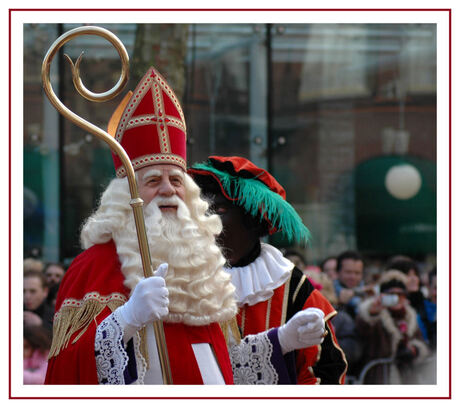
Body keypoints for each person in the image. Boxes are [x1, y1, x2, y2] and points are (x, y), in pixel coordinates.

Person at [45, 67, 326, 385]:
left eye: (176, 179)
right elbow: (67, 368)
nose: (168, 190)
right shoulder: (94, 266)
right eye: (153, 180)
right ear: (126, 196)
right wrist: (125, 319)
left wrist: (282, 341)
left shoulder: (198, 266)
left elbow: (217, 364)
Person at [189, 156, 347, 384]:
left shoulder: (290, 285)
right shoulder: (183, 277)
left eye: (220, 209)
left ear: (252, 221)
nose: (206, 221)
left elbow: (324, 368)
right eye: (202, 211)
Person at [355, 269, 430, 384]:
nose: (397, 298)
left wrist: (414, 350)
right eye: (391, 294)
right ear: (382, 296)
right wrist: (373, 313)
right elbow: (363, 331)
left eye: (401, 294)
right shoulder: (375, 315)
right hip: (378, 379)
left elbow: (421, 343)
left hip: (407, 378)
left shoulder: (410, 317)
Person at [333, 250, 373, 319]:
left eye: (357, 273)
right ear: (337, 272)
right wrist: (339, 304)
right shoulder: (329, 295)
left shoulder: (369, 295)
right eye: (348, 272)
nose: (353, 277)